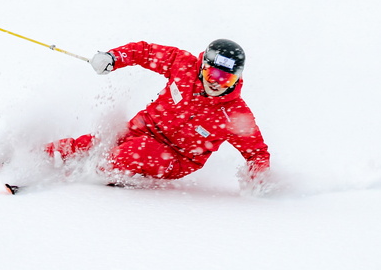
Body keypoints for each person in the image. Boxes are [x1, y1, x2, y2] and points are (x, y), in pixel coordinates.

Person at [41, 38, 271, 191]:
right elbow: (145, 52)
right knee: (92, 143)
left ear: (236, 78)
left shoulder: (234, 114)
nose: (217, 84)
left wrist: (259, 181)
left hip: (176, 158)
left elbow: (257, 153)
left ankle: (86, 175)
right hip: (141, 128)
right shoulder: (184, 67)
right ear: (202, 66)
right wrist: (114, 57)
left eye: (226, 79)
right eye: (212, 75)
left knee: (138, 151)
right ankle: (36, 157)